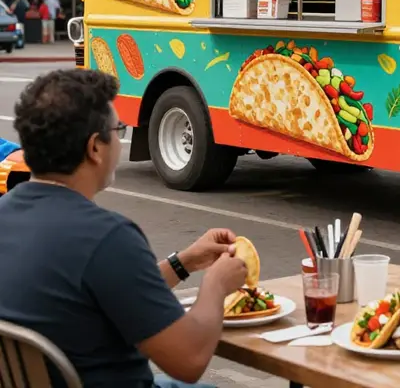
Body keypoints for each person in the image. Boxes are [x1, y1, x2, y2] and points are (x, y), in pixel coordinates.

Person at [0, 69, 249, 388]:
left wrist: (183, 263)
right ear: (95, 147)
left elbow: (106, 289)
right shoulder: (106, 238)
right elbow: (189, 360)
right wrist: (216, 284)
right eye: (118, 129)